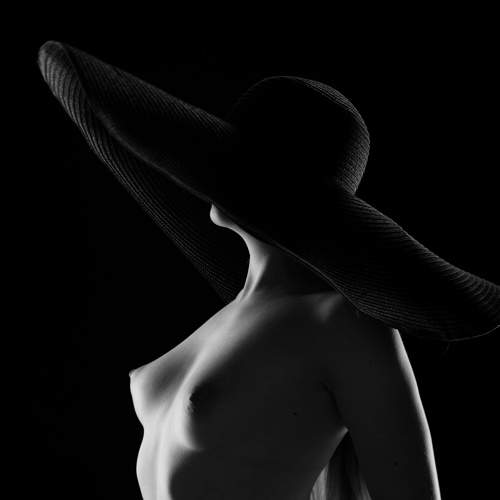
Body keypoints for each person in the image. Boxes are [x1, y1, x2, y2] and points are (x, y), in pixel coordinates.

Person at [38, 41, 498, 499]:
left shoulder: (344, 326)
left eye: (238, 167)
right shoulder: (234, 317)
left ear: (280, 193)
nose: (214, 177)